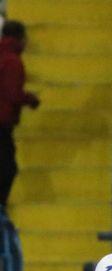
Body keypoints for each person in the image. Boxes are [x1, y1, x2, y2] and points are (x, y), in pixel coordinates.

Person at [0, 19, 39, 209]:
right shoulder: (12, 61)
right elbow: (12, 93)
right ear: (19, 38)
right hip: (1, 123)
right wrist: (31, 99)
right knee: (8, 168)